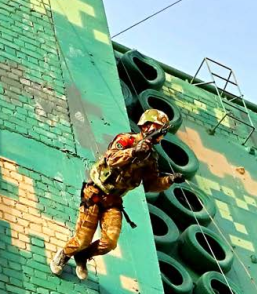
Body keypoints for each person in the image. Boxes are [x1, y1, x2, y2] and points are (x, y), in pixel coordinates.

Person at [50, 109, 184, 281]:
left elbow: (151, 185)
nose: (158, 134)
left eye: (161, 131)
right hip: (95, 194)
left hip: (113, 201)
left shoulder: (151, 158)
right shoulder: (126, 140)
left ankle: (82, 257)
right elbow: (111, 159)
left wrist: (170, 180)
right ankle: (64, 255)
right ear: (146, 125)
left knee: (110, 242)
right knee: (83, 239)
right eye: (157, 128)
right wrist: (133, 152)